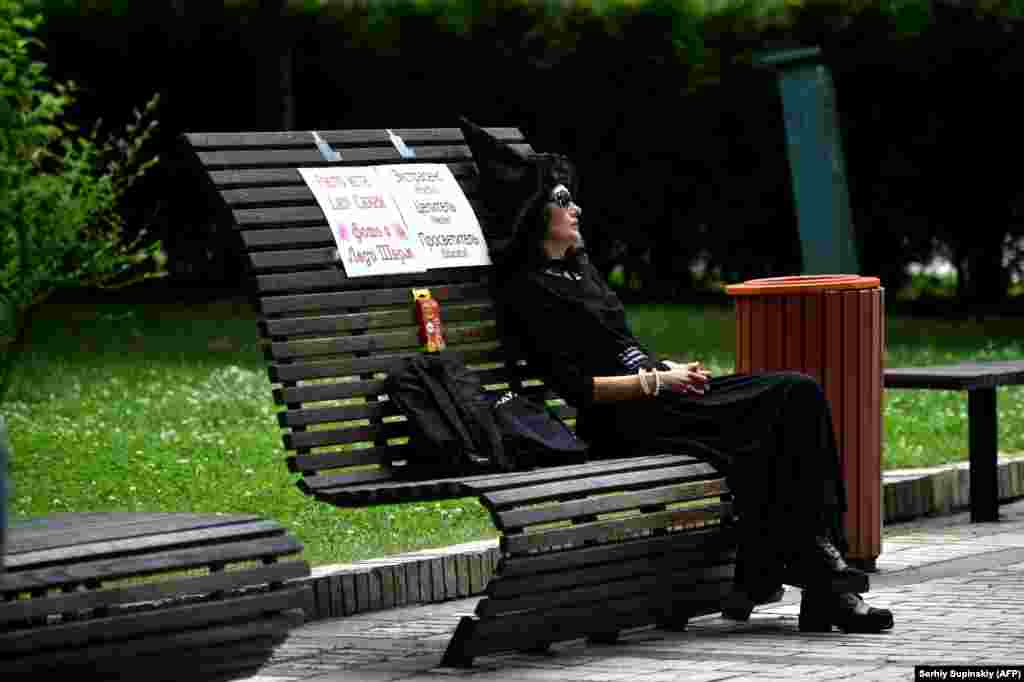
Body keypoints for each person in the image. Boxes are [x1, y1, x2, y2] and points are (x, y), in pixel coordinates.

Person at [458, 117, 894, 634]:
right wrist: (656, 382)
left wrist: (665, 368)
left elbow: (624, 345)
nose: (575, 208)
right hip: (623, 419)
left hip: (659, 397)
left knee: (797, 398)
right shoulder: (528, 290)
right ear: (535, 216)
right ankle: (822, 582)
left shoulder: (581, 270)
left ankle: (819, 580)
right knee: (779, 415)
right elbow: (580, 390)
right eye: (561, 199)